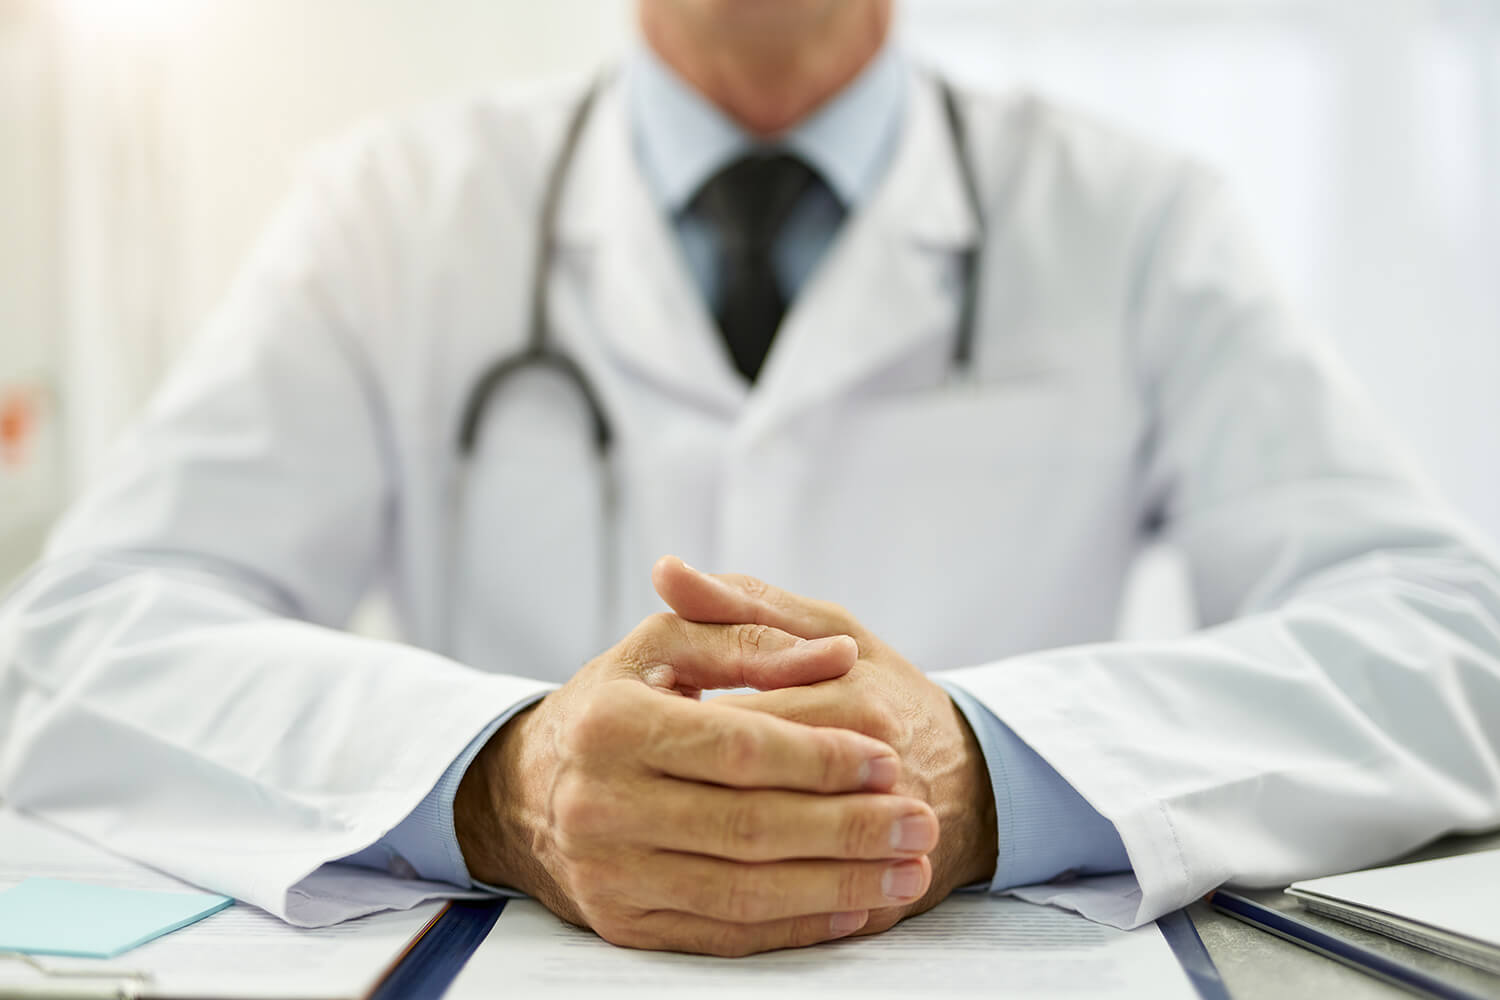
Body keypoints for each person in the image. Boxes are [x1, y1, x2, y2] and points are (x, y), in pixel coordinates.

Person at [2, 0, 1497, 960]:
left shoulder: (1137, 216)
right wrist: (493, 782)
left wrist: (994, 770)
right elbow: (74, 641)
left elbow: (1453, 643)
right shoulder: (392, 211)